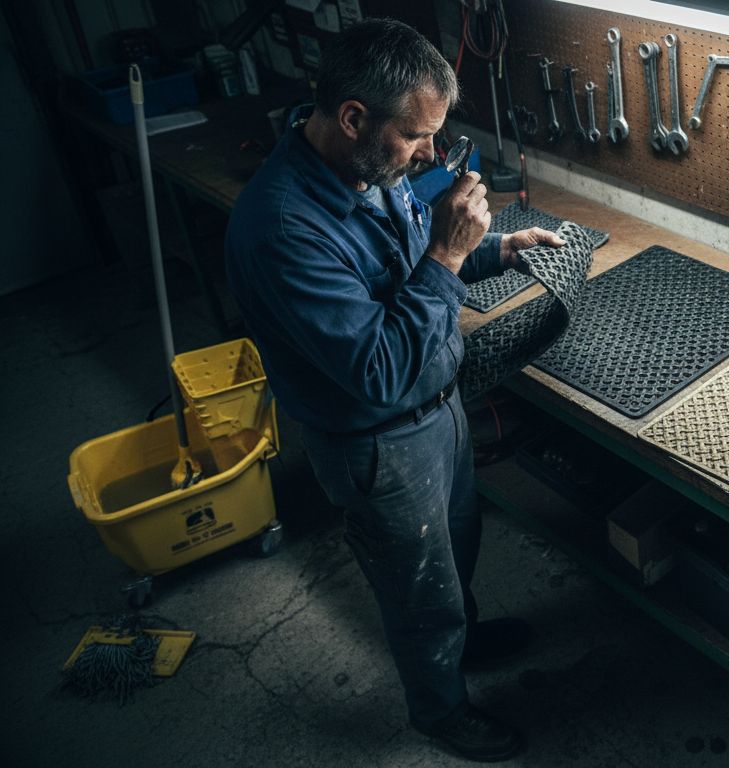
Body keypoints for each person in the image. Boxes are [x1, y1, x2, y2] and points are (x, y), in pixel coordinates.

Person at [226, 18, 561, 762]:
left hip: (438, 411)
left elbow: (408, 274)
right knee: (419, 593)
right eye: (417, 137)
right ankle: (440, 712)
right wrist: (448, 254)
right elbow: (378, 366)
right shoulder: (282, 229)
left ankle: (462, 643)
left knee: (456, 551)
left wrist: (494, 250)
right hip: (377, 442)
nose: (433, 156)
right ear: (353, 118)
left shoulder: (372, 170)